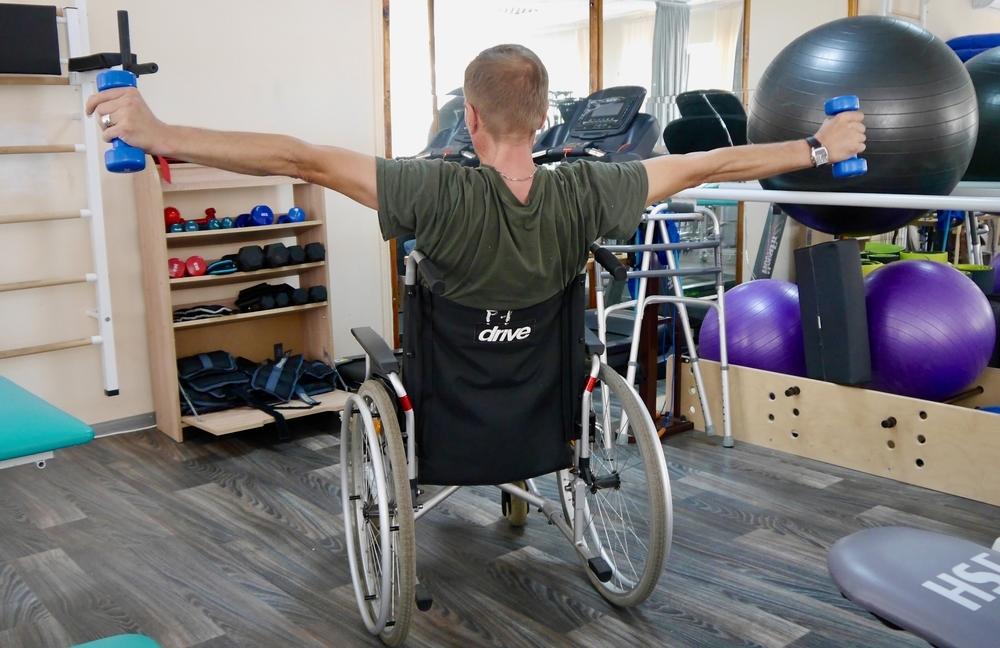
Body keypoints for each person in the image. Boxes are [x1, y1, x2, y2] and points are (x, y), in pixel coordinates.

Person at [87, 44, 865, 310]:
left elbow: (298, 157)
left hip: (455, 396)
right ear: (543, 112)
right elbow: (717, 162)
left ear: (471, 114)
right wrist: (821, 148)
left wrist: (159, 135)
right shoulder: (594, 187)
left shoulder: (430, 190)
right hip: (544, 393)